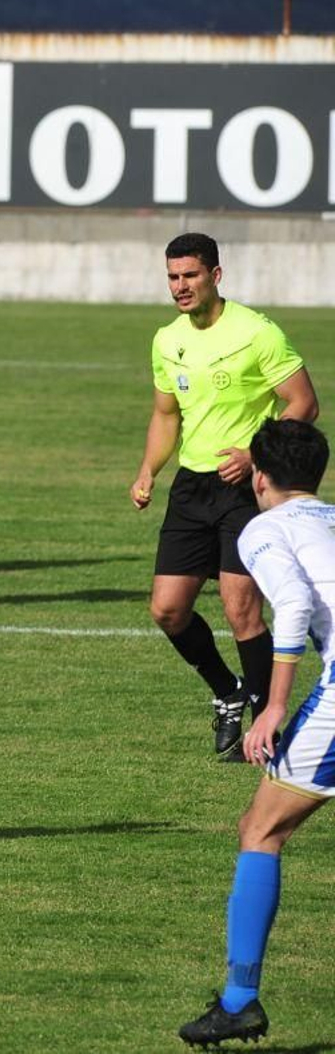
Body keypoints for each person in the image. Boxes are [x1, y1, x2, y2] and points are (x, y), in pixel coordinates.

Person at [131, 232, 318, 761]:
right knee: (167, 610)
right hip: (191, 487)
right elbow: (167, 415)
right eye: (172, 277)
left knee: (242, 611)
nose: (180, 287)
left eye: (190, 275)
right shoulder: (167, 339)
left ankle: (265, 728)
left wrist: (257, 457)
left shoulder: (257, 332)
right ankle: (229, 691)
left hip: (243, 489)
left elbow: (304, 402)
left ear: (216, 275)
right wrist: (148, 469)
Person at [178, 418, 332, 1048]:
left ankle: (240, 1000)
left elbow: (292, 604)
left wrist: (272, 706)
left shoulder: (263, 527)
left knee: (260, 829)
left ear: (260, 477)